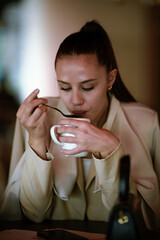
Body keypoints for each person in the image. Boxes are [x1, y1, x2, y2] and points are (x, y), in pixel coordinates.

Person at [0, 20, 160, 231]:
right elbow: (33, 215)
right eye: (65, 88)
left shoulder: (146, 124)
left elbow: (142, 224)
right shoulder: (38, 120)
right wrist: (37, 141)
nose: (75, 100)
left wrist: (110, 150)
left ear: (110, 79)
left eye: (88, 87)